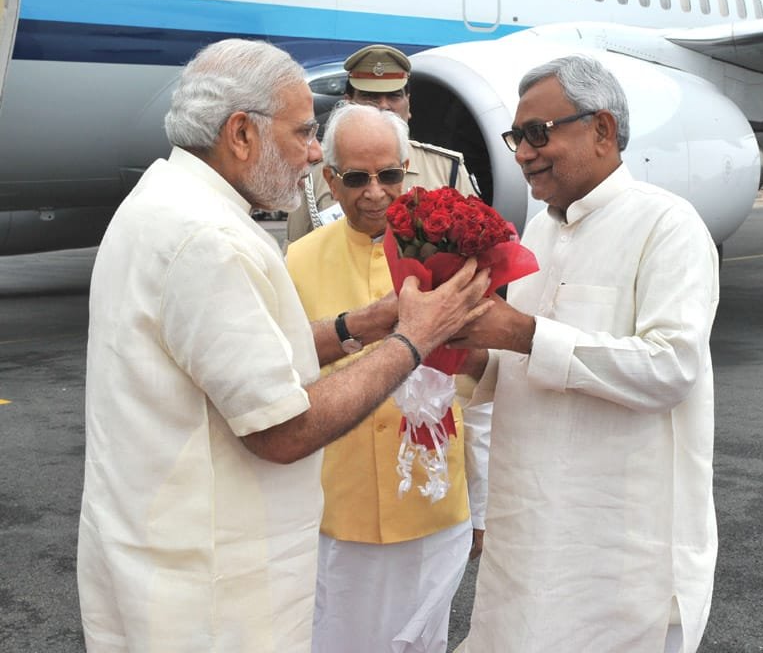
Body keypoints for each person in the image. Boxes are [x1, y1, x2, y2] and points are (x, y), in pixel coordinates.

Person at [76, 39, 491, 653]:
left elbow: (249, 360)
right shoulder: (209, 240)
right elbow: (281, 430)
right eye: (302, 132)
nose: (315, 150)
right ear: (242, 133)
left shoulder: (167, 202)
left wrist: (357, 326)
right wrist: (412, 340)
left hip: (173, 556)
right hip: (213, 592)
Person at [451, 55, 719, 653]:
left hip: (616, 557)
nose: (522, 152)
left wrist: (520, 334)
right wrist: (472, 353)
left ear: (602, 130)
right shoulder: (540, 231)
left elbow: (670, 368)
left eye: (538, 134)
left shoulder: (667, 225)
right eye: (516, 136)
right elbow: (527, 359)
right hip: (527, 540)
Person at [285, 102, 490, 653]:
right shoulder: (295, 261)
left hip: (431, 501)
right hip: (336, 512)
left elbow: (482, 392)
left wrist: (484, 504)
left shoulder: (453, 259)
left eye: (389, 175)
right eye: (355, 178)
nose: (374, 192)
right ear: (329, 180)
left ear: (408, 169)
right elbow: (280, 372)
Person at [285, 44, 478, 244]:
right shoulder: (315, 175)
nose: (384, 105)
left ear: (409, 103)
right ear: (347, 103)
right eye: (370, 96)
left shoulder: (446, 169)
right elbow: (295, 255)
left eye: (394, 95)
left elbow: (472, 245)